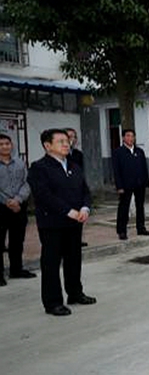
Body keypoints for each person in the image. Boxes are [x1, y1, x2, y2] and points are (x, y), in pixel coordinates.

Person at [27, 129, 95, 316]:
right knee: (51, 263)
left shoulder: (74, 165)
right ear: (47, 146)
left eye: (67, 141)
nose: (66, 144)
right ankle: (53, 302)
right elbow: (44, 196)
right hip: (53, 224)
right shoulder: (39, 168)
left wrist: (85, 208)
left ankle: (75, 293)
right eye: (61, 141)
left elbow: (85, 191)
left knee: (74, 260)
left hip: (75, 222)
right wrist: (68, 211)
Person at [0, 134, 35, 286]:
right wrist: (7, 201)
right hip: (1, 207)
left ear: (11, 145)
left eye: (7, 143)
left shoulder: (20, 163)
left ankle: (16, 269)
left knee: (17, 240)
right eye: (1, 144)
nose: (5, 146)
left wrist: (18, 200)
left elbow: (27, 183)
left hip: (19, 207)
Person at [112, 129, 149, 240]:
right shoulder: (118, 152)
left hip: (139, 184)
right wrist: (119, 186)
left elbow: (144, 168)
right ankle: (121, 230)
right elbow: (116, 171)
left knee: (140, 207)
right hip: (125, 185)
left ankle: (141, 228)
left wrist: (146, 182)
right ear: (123, 138)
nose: (130, 138)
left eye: (132, 136)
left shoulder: (139, 151)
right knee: (124, 208)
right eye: (128, 136)